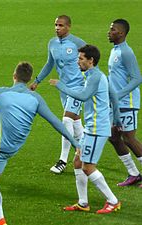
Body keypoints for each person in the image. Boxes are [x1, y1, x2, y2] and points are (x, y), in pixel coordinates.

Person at [0, 60, 81, 225]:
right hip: (18, 141)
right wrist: (75, 143)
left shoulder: (1, 93)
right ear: (29, 79)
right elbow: (56, 122)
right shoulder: (36, 98)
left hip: (3, 147)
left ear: (14, 76)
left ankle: (0, 221)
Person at [50, 45, 121, 213]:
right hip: (92, 127)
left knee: (88, 167)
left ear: (91, 61)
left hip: (96, 129)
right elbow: (114, 95)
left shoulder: (95, 77)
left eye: (81, 58)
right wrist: (116, 118)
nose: (78, 61)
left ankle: (113, 201)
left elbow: (83, 96)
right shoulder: (94, 75)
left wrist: (61, 86)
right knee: (77, 161)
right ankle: (83, 203)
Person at [29, 15, 86, 174]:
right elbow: (49, 63)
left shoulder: (78, 43)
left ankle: (63, 160)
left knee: (66, 119)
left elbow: (92, 60)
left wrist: (91, 82)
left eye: (60, 25)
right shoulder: (52, 43)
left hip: (77, 87)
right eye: (55, 25)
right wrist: (37, 81)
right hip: (63, 88)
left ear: (68, 27)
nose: (57, 28)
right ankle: (85, 151)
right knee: (75, 121)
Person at [107, 19, 142, 188]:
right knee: (113, 137)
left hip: (127, 102)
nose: (109, 32)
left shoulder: (126, 52)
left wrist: (118, 94)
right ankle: (134, 174)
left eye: (112, 29)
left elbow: (137, 78)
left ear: (121, 33)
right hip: (116, 102)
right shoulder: (115, 50)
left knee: (128, 138)